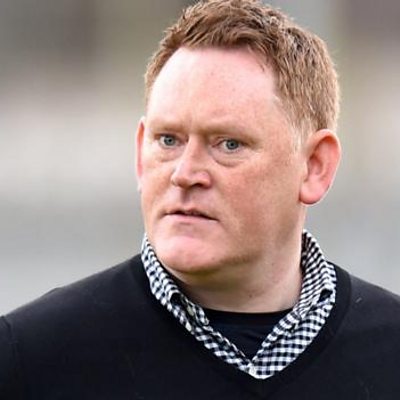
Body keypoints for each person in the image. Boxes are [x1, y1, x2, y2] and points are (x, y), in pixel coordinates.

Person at [1, 0, 399, 398]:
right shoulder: (29, 359)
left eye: (228, 144)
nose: (185, 173)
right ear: (140, 153)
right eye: (168, 140)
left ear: (314, 167)